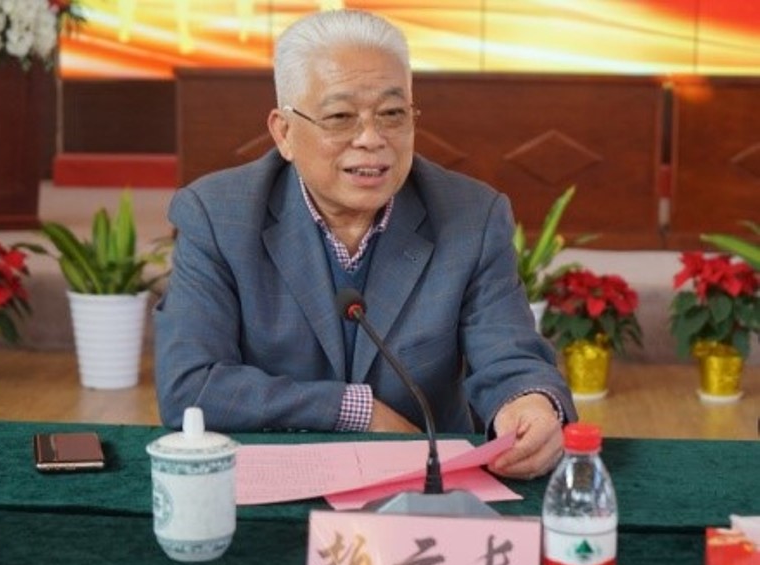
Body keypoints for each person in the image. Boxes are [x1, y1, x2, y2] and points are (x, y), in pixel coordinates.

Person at [154, 9, 577, 479]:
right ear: (285, 132)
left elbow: (509, 355)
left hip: (425, 479)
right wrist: (355, 410)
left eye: (392, 114)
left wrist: (530, 403)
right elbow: (190, 385)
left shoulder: (471, 216)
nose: (372, 139)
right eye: (340, 117)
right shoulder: (217, 215)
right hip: (276, 477)